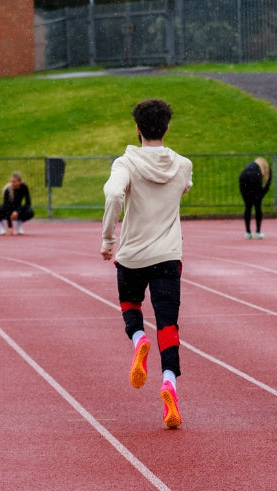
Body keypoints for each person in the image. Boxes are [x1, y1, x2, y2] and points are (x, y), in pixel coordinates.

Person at [101, 98, 193, 429]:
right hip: (168, 256)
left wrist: (108, 239)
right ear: (166, 128)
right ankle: (169, 382)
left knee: (131, 305)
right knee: (168, 325)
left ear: (137, 128)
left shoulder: (124, 164)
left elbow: (113, 196)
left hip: (133, 255)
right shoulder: (183, 165)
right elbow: (182, 189)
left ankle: (139, 339)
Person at [238, 157, 271, 239]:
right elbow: (267, 184)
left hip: (243, 177)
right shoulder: (261, 170)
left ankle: (248, 232)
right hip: (254, 177)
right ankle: (258, 232)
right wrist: (261, 195)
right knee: (257, 206)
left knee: (248, 207)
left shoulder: (250, 165)